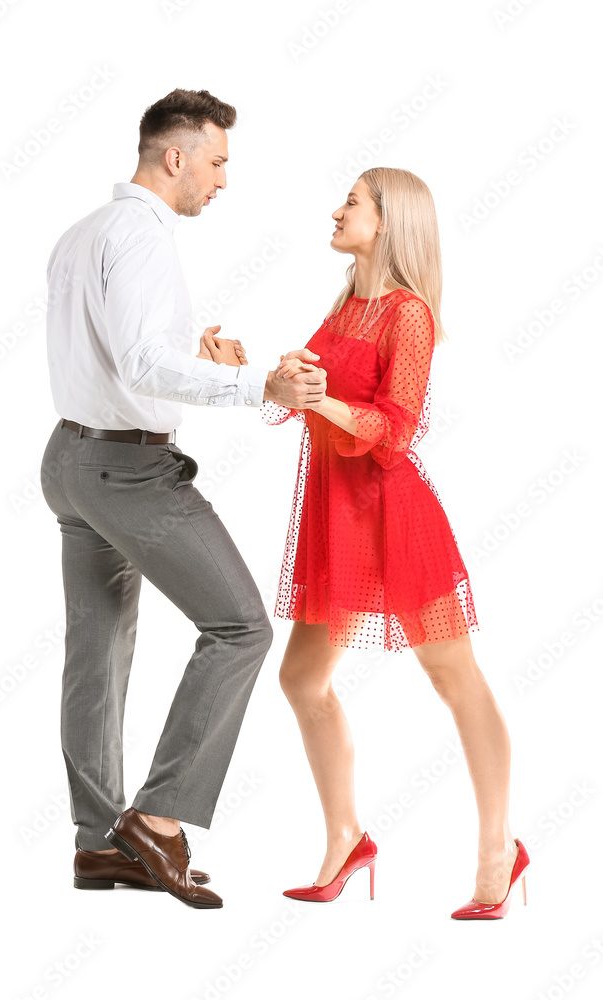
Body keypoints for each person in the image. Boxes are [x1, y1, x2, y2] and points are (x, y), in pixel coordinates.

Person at [39, 88, 326, 909]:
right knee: (240, 626)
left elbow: (111, 354)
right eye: (218, 161)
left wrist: (188, 354)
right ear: (176, 155)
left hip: (71, 458)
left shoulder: (85, 232)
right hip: (126, 471)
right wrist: (253, 381)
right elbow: (137, 366)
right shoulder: (140, 235)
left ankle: (99, 845)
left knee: (95, 651)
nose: (222, 180)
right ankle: (157, 824)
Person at [260, 167, 529, 919]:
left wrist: (324, 402)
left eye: (351, 201)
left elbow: (396, 427)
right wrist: (264, 374)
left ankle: (497, 851)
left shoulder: (406, 313)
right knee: (302, 679)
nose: (336, 210)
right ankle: (345, 839)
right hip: (334, 518)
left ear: (386, 221)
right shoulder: (348, 300)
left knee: (452, 678)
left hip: (389, 513)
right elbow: (307, 385)